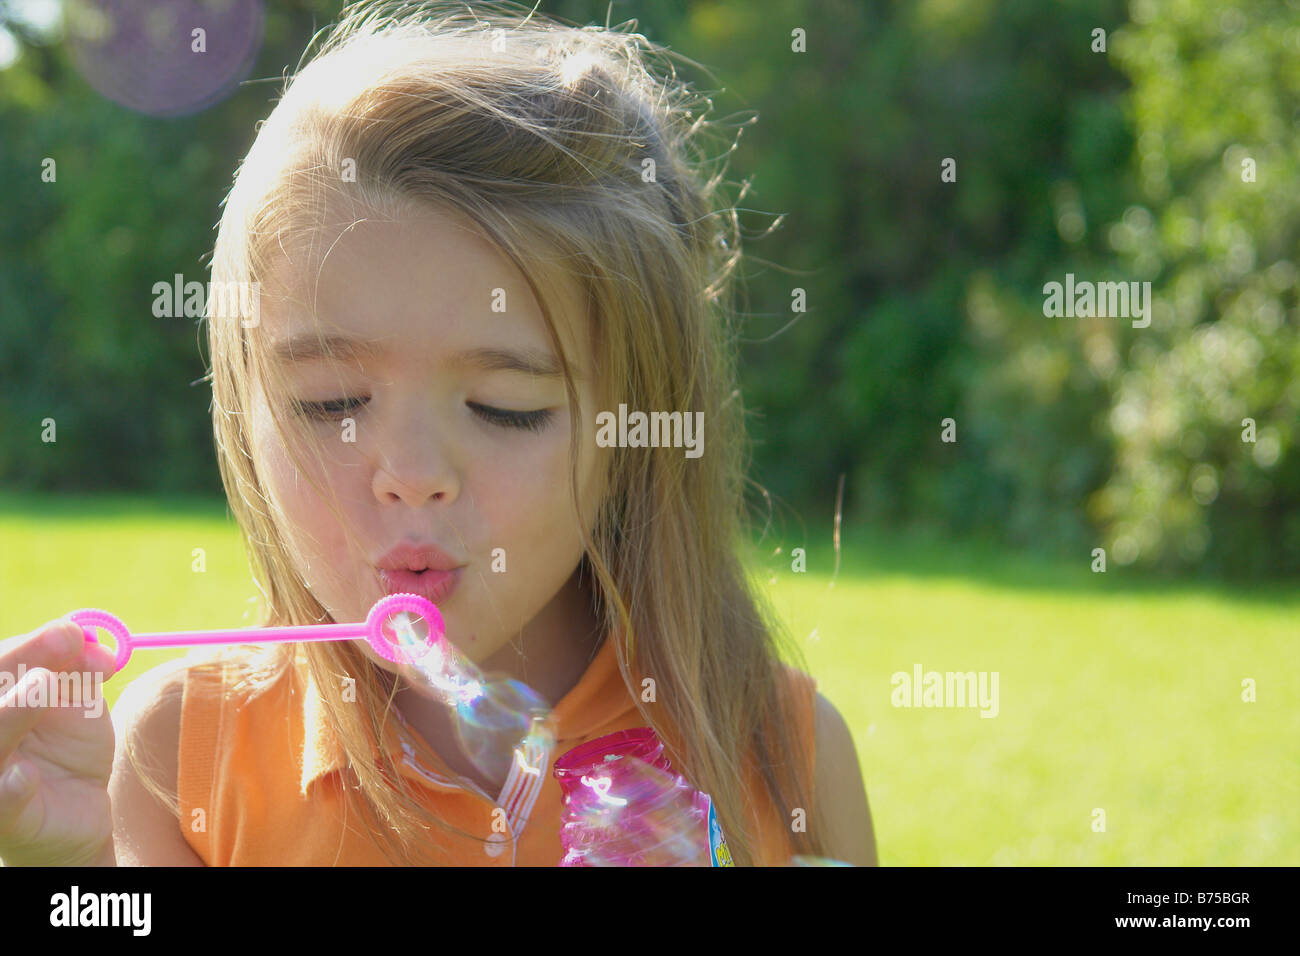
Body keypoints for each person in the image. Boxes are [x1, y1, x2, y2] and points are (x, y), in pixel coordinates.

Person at [0, 0, 876, 867]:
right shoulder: (172, 756)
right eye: (331, 402)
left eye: (506, 407)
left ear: (633, 430)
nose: (412, 476)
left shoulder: (778, 750)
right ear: (245, 406)